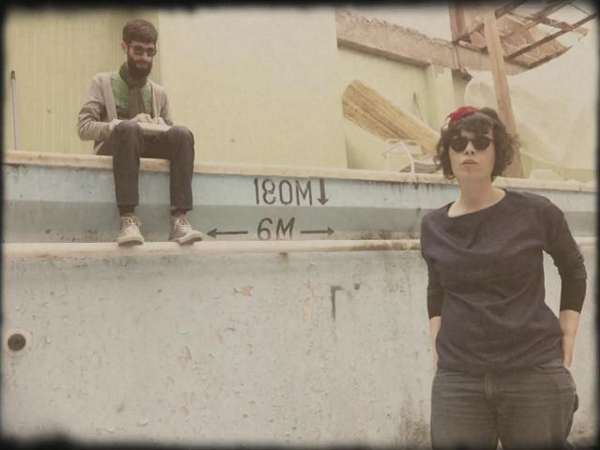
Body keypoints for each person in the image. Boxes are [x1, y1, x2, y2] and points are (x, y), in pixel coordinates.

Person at [420, 106, 586, 450]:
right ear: (448, 153)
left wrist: (568, 333)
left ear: (498, 153)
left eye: (481, 142)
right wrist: (436, 338)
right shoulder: (433, 225)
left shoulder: (536, 211)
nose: (469, 150)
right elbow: (437, 287)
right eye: (458, 143)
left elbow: (573, 268)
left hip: (532, 372)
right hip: (458, 379)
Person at [77, 19, 203, 246]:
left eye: (150, 52)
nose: (144, 57)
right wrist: (115, 125)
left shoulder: (159, 92)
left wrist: (161, 126)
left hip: (146, 148)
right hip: (116, 148)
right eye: (138, 51)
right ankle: (127, 219)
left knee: (182, 134)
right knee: (128, 128)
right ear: (124, 47)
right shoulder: (102, 82)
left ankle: (179, 219)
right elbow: (84, 128)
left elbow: (171, 134)